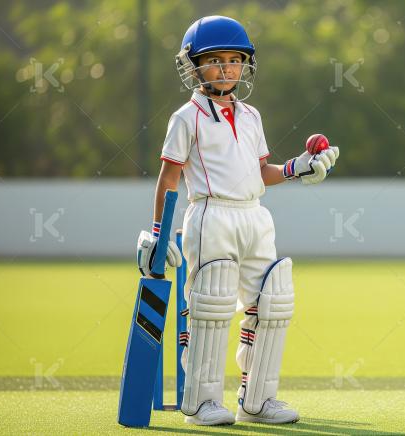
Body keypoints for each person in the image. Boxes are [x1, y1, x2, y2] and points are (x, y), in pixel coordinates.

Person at [135, 15, 339, 426]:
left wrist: (300, 167)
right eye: (214, 60)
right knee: (210, 306)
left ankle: (258, 400)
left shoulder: (251, 116)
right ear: (193, 66)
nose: (226, 68)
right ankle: (201, 401)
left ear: (245, 64)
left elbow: (260, 172)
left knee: (272, 302)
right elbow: (168, 178)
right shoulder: (186, 118)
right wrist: (159, 232)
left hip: (255, 216)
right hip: (211, 215)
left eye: (234, 59)